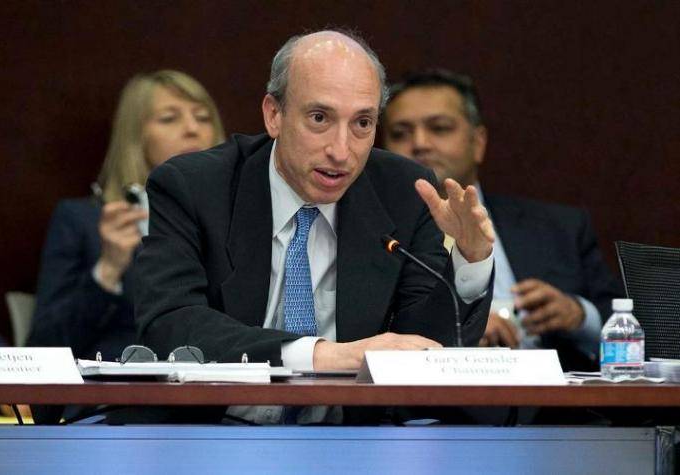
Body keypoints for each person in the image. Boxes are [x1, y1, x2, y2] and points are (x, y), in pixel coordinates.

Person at [135, 31, 495, 425]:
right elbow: (171, 322)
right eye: (320, 118)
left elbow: (424, 351)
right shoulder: (195, 187)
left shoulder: (404, 192)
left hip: (351, 443)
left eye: (362, 123)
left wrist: (470, 260)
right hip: (212, 434)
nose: (341, 151)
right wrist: (321, 355)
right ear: (274, 115)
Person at [382, 68, 623, 371]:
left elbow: (632, 324)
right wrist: (465, 324)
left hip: (550, 394)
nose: (419, 143)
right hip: (424, 395)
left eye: (439, 128)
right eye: (400, 133)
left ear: (478, 142)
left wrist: (578, 315)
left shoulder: (558, 227)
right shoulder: (371, 232)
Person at [28, 70, 225, 361]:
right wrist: (108, 269)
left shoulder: (240, 219)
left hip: (219, 384)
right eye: (169, 118)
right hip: (119, 383)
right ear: (136, 137)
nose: (192, 129)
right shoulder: (82, 221)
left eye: (203, 117)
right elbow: (44, 347)